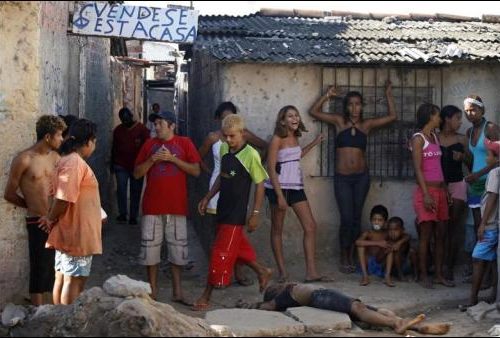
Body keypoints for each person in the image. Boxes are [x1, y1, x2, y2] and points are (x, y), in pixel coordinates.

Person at [308, 81, 397, 273]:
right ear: (346, 106)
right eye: (351, 104)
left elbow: (392, 117)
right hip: (343, 178)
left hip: (361, 178)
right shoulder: (339, 122)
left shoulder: (366, 125)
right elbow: (313, 112)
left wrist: (388, 94)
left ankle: (355, 257)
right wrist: (327, 95)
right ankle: (344, 256)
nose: (354, 108)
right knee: (346, 218)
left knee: (357, 218)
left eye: (358, 104)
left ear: (362, 106)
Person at [194, 114, 273, 311]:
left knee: (220, 252)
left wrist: (255, 213)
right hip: (222, 209)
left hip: (236, 214)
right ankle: (263, 271)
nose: (228, 140)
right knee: (237, 248)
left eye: (232, 136)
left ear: (242, 134)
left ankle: (206, 295)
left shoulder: (250, 155)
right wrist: (207, 197)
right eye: (225, 136)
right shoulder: (223, 149)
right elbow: (222, 177)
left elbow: (260, 184)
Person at [133, 110, 201, 303]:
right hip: (152, 207)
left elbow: (196, 171)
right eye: (155, 124)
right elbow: (137, 174)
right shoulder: (149, 145)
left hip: (177, 207)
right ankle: (152, 291)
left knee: (177, 251)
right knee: (150, 252)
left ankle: (177, 291)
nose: (156, 127)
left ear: (172, 126)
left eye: (160, 123)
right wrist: (153, 159)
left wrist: (173, 159)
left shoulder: (184, 143)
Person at [4, 115, 66, 305]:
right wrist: (32, 208)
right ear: (47, 137)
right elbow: (9, 194)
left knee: (56, 268)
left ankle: (51, 310)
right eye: (59, 135)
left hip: (56, 219)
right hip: (37, 221)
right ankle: (36, 316)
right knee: (39, 269)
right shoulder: (24, 159)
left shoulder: (56, 157)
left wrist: (54, 214)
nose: (62, 139)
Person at [41, 119, 102, 305]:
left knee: (64, 278)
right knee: (73, 281)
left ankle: (59, 321)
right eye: (95, 141)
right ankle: (66, 325)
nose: (95, 146)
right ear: (88, 141)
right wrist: (50, 218)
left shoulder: (68, 161)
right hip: (76, 232)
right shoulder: (74, 162)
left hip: (72, 230)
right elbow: (63, 197)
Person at [238, 282, 450, 335]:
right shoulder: (286, 293)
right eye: (275, 286)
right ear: (277, 291)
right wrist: (247, 305)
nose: (280, 283)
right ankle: (398, 323)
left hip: (324, 296)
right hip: (320, 297)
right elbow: (266, 306)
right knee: (358, 307)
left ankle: (417, 328)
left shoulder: (289, 293)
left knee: (368, 310)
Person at [265, 105, 327, 283]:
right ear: (282, 120)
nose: (295, 118)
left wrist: (314, 143)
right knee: (277, 230)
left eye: (296, 115)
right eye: (290, 116)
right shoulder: (277, 139)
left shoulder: (294, 136)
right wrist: (279, 196)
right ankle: (283, 272)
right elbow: (270, 167)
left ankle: (311, 272)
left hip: (296, 187)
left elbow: (296, 156)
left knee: (310, 226)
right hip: (279, 188)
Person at [411, 103, 454, 289]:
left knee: (441, 234)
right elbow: (418, 169)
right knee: (426, 235)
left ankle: (438, 274)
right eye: (437, 116)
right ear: (430, 116)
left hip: (440, 191)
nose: (440, 119)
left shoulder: (434, 137)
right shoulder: (418, 139)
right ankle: (423, 275)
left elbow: (438, 167)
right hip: (426, 192)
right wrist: (426, 194)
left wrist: (445, 190)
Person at [460, 139, 500, 311]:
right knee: (494, 263)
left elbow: (491, 198)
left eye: (489, 155)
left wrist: (482, 224)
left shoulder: (494, 173)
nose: (486, 158)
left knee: (477, 259)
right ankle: (493, 295)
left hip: (490, 224)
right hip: (494, 224)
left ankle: (472, 298)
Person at [438, 105, 468, 281]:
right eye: (457, 118)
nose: (460, 122)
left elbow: (472, 164)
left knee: (452, 227)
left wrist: (463, 158)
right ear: (447, 119)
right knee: (439, 229)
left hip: (457, 185)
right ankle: (438, 265)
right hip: (438, 187)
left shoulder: (462, 140)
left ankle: (448, 266)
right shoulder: (435, 138)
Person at [111, 107, 150, 225]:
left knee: (136, 191)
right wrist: (112, 163)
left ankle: (133, 216)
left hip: (137, 166)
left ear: (131, 117)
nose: (125, 122)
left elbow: (148, 147)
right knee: (121, 190)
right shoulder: (118, 130)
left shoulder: (142, 129)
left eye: (127, 119)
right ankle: (123, 214)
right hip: (120, 165)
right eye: (123, 120)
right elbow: (114, 148)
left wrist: (146, 164)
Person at [356, 205, 395, 287]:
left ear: (385, 222)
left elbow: (406, 235)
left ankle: (387, 277)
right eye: (374, 219)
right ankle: (365, 276)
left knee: (389, 248)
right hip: (368, 264)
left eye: (380, 220)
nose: (376, 222)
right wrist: (378, 243)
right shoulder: (368, 233)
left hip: (380, 263)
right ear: (370, 220)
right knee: (361, 246)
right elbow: (358, 242)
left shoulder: (386, 233)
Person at [386, 217, 416, 282]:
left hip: (407, 266)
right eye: (390, 230)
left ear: (402, 230)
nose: (392, 232)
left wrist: (399, 243)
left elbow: (408, 236)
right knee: (396, 252)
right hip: (394, 269)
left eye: (396, 229)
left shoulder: (404, 237)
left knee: (413, 251)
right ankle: (400, 275)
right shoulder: (387, 240)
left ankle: (416, 275)